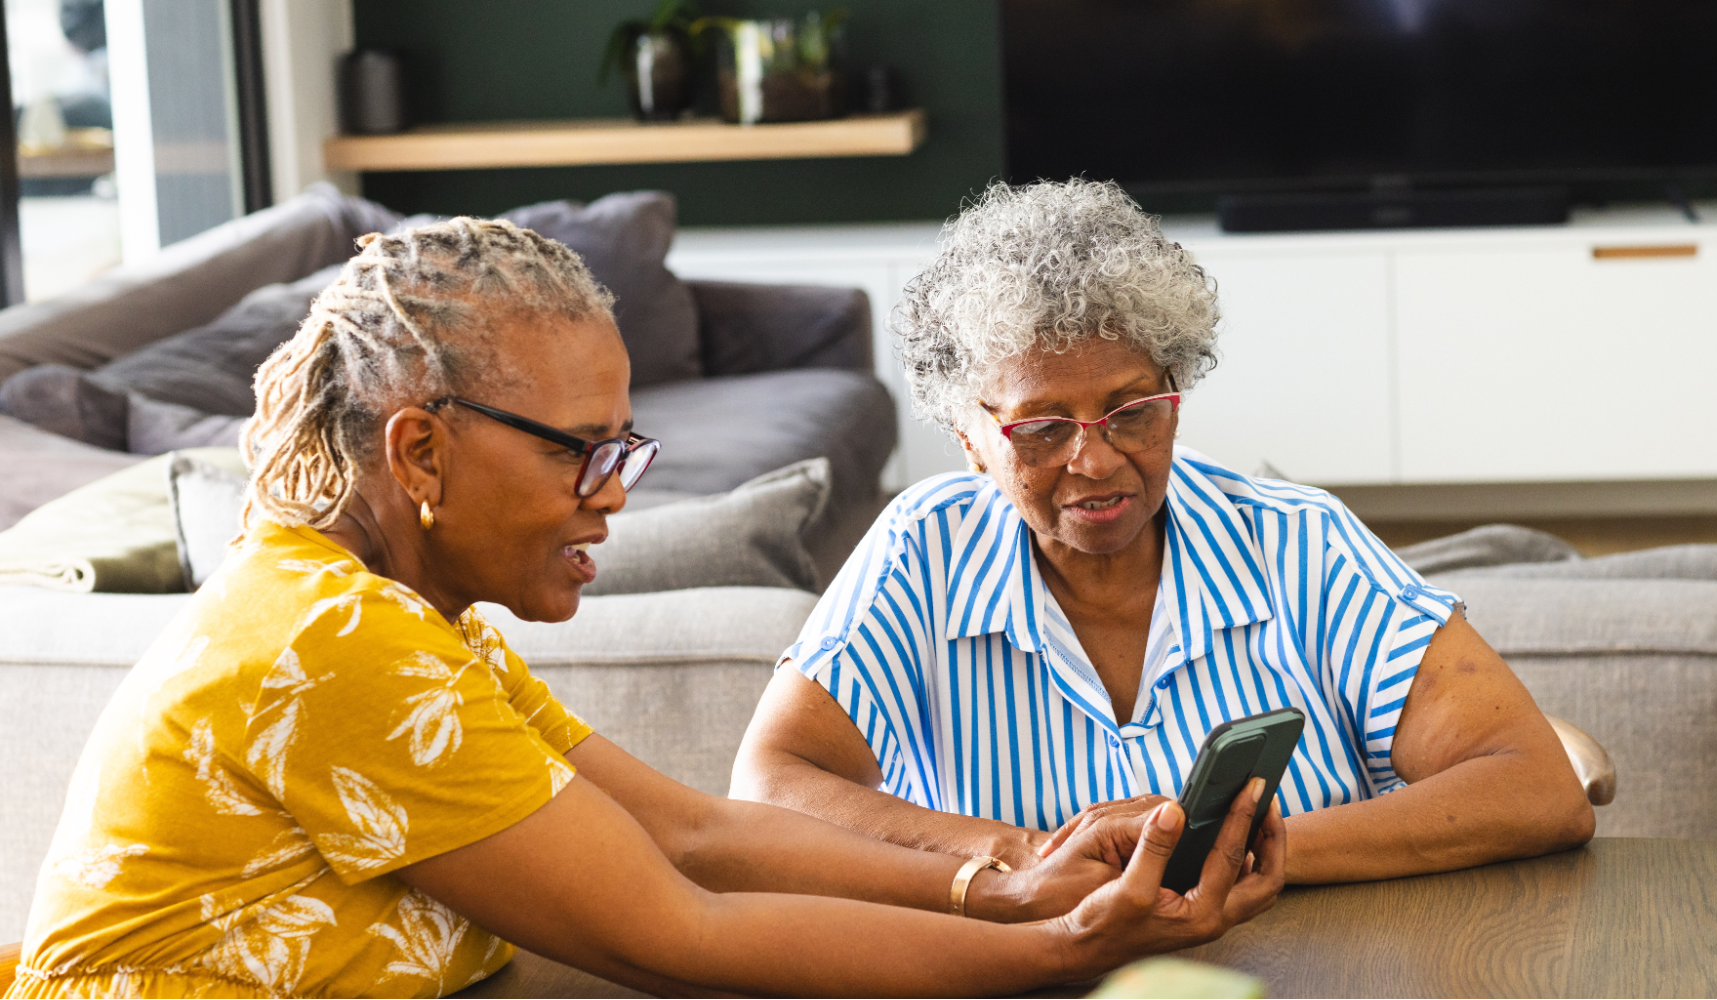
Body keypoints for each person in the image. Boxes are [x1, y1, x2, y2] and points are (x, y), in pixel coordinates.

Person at [6, 217, 1283, 999]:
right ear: (418, 453)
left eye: (626, 449)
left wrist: (999, 884)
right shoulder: (334, 643)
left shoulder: (402, 623)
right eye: (581, 451)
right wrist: (1057, 951)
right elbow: (682, 933)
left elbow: (693, 833)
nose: (613, 495)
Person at [732, 179, 1595, 884]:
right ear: (971, 440)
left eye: (1131, 411)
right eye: (1041, 429)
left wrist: (1223, 851)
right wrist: (1024, 853)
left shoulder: (1297, 541)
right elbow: (767, 789)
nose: (1096, 461)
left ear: (1175, 392)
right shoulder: (921, 552)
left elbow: (1535, 789)